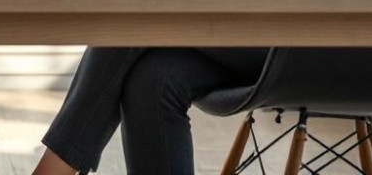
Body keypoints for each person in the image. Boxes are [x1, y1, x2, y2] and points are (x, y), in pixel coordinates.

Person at [32, 46, 269, 175]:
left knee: (132, 14)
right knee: (152, 78)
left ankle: (53, 170)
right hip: (249, 23)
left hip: (292, 46)